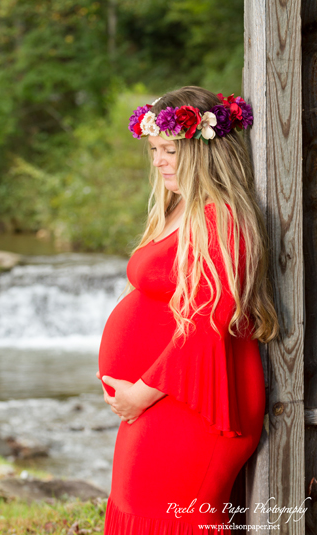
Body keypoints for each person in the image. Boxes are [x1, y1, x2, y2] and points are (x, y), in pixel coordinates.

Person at [96, 86, 279, 532]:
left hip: (198, 402)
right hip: (165, 397)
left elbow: (207, 325)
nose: (157, 162)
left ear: (203, 152)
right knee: (138, 509)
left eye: (169, 150)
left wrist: (139, 393)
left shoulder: (225, 218)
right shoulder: (180, 209)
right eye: (154, 150)